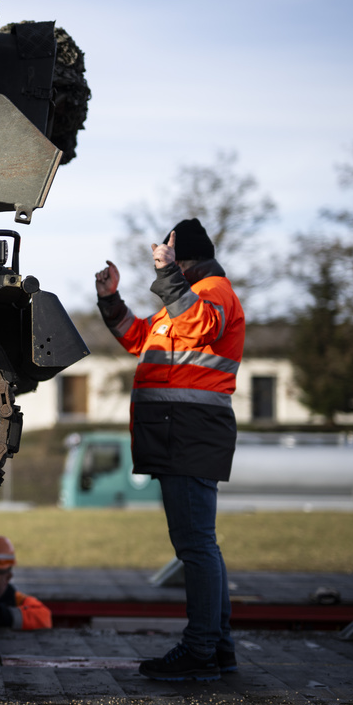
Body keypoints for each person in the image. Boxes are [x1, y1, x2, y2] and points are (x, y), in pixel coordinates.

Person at [94, 218, 244, 681]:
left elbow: (200, 324)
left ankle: (200, 650)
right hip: (181, 433)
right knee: (201, 545)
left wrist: (168, 276)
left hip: (189, 433)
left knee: (195, 546)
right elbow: (140, 339)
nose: (159, 252)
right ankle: (217, 648)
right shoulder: (185, 302)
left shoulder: (213, 291)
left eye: (168, 248)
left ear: (182, 256)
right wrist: (110, 300)